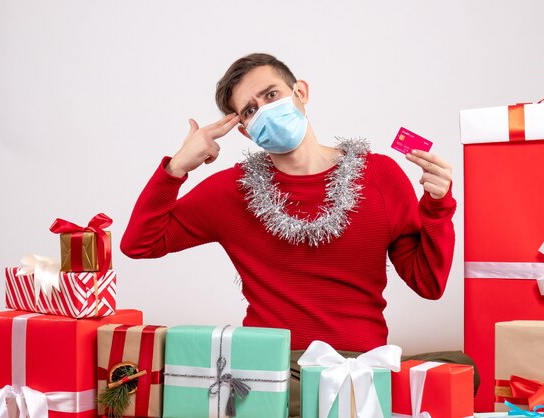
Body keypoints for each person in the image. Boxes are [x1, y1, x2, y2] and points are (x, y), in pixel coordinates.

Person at [121, 53, 478, 417]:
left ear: (301, 92)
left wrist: (437, 205)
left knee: (463, 373)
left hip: (360, 365)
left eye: (271, 95)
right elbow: (139, 243)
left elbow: (428, 283)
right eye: (249, 111)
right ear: (244, 130)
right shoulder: (231, 191)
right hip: (272, 368)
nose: (263, 112)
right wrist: (177, 167)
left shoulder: (380, 176)